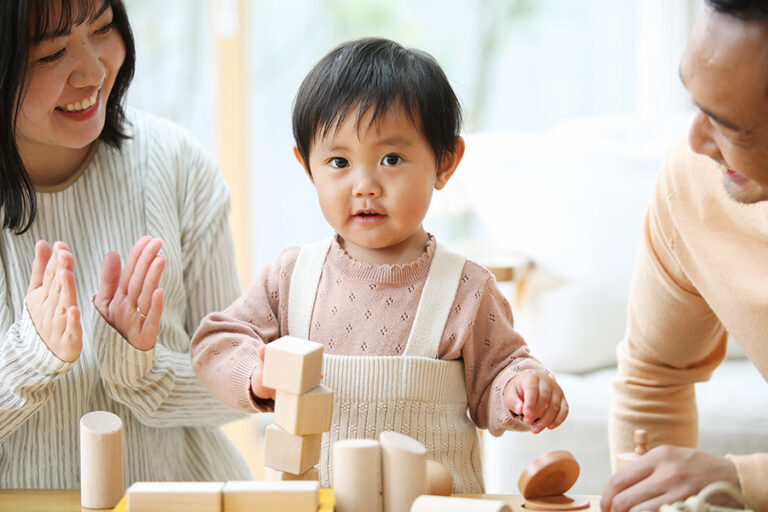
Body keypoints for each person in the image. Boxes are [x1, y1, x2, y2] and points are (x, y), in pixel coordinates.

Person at [191, 37, 569, 493]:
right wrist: (256, 374)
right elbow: (216, 342)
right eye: (339, 161)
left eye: (392, 159)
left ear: (445, 162)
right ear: (307, 165)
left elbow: (498, 372)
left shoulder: (465, 287)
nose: (364, 185)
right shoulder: (292, 277)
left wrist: (521, 387)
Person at [0, 0, 251, 488]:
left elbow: (239, 392)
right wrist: (29, 359)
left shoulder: (175, 164)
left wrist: (142, 372)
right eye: (52, 53)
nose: (93, 71)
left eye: (103, 27)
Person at [603, 1, 768, 510]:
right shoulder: (694, 183)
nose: (695, 141)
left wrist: (742, 480)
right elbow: (655, 376)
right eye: (695, 103)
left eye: (730, 126)